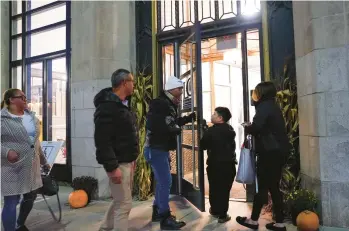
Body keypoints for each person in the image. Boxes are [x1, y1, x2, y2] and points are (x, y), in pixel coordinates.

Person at [236, 82, 290, 231]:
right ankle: (279, 223)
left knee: (263, 187)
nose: (255, 95)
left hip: (269, 153)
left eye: (257, 92)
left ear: (262, 93)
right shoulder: (272, 105)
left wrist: (247, 126)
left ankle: (253, 221)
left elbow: (257, 127)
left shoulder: (264, 107)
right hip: (278, 152)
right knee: (273, 187)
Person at [144, 76, 196, 230]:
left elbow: (170, 121)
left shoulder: (167, 103)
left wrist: (186, 119)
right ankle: (165, 218)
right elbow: (159, 124)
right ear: (171, 89)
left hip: (160, 148)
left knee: (163, 182)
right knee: (166, 182)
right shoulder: (161, 104)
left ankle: (158, 212)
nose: (181, 92)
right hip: (156, 148)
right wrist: (175, 128)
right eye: (179, 89)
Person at [94, 69, 138, 231]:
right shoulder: (107, 107)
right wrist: (112, 167)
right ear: (124, 83)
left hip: (126, 161)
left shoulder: (122, 105)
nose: (134, 85)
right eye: (132, 81)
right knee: (124, 204)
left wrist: (132, 158)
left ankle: (105, 227)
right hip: (117, 163)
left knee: (120, 200)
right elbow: (102, 141)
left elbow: (126, 136)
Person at [1, 88, 50, 231]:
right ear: (11, 100)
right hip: (11, 168)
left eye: (25, 96)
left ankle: (19, 223)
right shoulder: (2, 119)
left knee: (30, 197)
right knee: (11, 201)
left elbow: (35, 143)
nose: (25, 99)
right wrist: (6, 151)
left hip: (31, 166)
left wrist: (44, 161)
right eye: (21, 97)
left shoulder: (32, 118)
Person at [200, 107, 236, 223]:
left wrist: (204, 131)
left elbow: (203, 145)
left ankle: (215, 210)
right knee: (224, 190)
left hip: (214, 164)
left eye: (214, 114)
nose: (212, 115)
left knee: (214, 188)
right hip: (228, 165)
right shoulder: (230, 130)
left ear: (220, 118)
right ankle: (222, 214)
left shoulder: (211, 131)